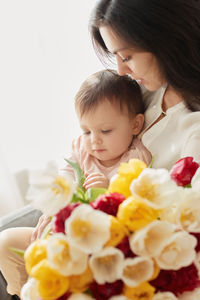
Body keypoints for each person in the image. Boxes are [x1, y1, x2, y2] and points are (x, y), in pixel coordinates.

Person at [0, 69, 152, 297]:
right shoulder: (82, 148)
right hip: (59, 235)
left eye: (105, 130)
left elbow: (129, 210)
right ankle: (23, 292)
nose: (94, 140)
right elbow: (64, 181)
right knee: (6, 241)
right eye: (86, 130)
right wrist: (53, 212)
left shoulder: (136, 158)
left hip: (92, 248)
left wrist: (105, 190)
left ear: (135, 125)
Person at [89, 0, 200, 169]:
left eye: (126, 57)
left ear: (164, 41)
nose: (120, 70)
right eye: (115, 56)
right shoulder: (138, 92)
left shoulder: (194, 127)